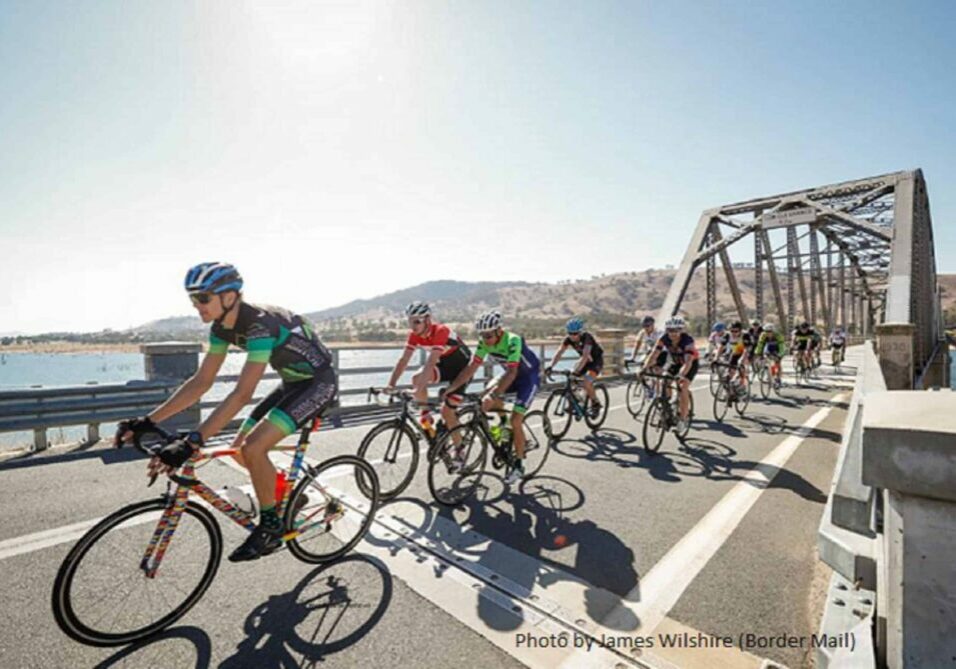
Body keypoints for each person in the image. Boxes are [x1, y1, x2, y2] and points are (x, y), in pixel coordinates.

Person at [115, 262, 337, 562]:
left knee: (254, 447)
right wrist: (148, 420)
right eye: (192, 299)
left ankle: (270, 526)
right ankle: (287, 495)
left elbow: (242, 394)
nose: (197, 306)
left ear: (230, 296)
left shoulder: (259, 326)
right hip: (291, 383)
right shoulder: (221, 329)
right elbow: (201, 382)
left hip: (318, 384)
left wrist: (194, 440)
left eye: (203, 298)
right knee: (238, 450)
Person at [444, 311, 540, 485]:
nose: (486, 339)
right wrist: (452, 388)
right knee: (484, 396)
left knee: (516, 420)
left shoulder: (513, 340)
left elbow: (512, 372)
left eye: (489, 335)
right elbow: (472, 367)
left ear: (499, 330)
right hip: (510, 375)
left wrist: (494, 395)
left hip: (528, 378)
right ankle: (503, 424)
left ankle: (518, 466)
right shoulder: (484, 343)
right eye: (482, 335)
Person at [386, 301, 471, 436]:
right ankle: (426, 415)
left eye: (417, 322)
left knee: (447, 413)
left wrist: (418, 389)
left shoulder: (440, 331)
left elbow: (430, 362)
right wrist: (391, 384)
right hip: (444, 365)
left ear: (427, 320)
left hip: (462, 371)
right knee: (416, 378)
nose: (413, 326)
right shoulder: (414, 335)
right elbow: (403, 361)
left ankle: (459, 450)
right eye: (410, 322)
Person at [643, 315, 698, 433]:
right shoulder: (664, 338)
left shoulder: (687, 341)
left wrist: (681, 375)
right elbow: (654, 354)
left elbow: (688, 362)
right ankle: (667, 406)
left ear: (681, 330)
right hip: (676, 362)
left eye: (676, 330)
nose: (672, 333)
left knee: (683, 387)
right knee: (665, 381)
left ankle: (683, 419)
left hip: (690, 364)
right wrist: (644, 369)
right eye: (670, 330)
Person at [545, 318, 604, 418]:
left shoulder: (587, 337)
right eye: (570, 333)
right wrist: (551, 366)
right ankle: (576, 402)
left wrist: (576, 372)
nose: (572, 336)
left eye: (575, 333)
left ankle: (595, 402)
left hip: (595, 362)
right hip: (584, 361)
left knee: (586, 382)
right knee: (571, 380)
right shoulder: (568, 339)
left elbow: (585, 355)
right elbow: (560, 352)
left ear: (580, 332)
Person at [715, 321, 753, 388]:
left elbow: (746, 349)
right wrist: (716, 358)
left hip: (747, 350)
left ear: (740, 331)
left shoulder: (745, 335)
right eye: (732, 331)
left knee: (741, 364)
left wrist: (742, 359)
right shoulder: (727, 335)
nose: (733, 333)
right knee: (731, 369)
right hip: (737, 351)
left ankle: (743, 382)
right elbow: (721, 347)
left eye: (736, 331)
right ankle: (730, 389)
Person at [755, 322, 786, 388]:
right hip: (769, 348)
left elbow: (782, 347)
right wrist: (758, 353)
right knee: (767, 359)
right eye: (766, 331)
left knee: (777, 363)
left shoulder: (778, 335)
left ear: (773, 331)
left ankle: (778, 378)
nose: (768, 333)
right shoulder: (763, 335)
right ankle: (768, 372)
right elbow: (760, 345)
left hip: (778, 348)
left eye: (770, 331)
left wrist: (780, 355)